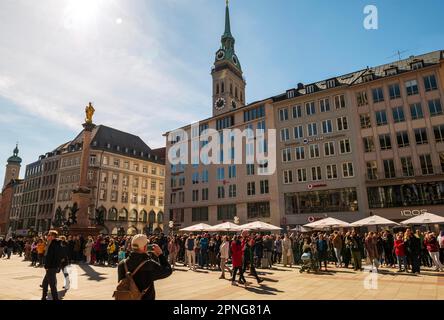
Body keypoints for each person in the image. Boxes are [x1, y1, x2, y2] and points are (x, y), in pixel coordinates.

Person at [117, 234, 172, 300]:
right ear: (144, 247)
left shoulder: (122, 264)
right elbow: (168, 270)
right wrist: (160, 255)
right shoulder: (149, 264)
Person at [41, 230, 62, 300]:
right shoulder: (52, 243)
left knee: (52, 285)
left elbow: (52, 257)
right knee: (45, 283)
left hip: (51, 267)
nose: (47, 236)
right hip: (51, 267)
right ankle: (43, 297)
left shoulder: (54, 244)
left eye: (49, 235)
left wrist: (47, 266)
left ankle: (55, 298)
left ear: (53, 236)